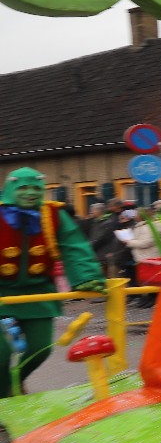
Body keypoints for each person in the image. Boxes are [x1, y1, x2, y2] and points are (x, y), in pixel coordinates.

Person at [0, 167, 105, 396]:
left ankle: (14, 382)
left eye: (36, 188)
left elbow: (74, 246)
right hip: (1, 293)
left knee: (41, 348)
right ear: (10, 189)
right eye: (23, 188)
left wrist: (86, 277)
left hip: (39, 293)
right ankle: (4, 396)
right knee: (1, 352)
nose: (31, 193)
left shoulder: (53, 214)